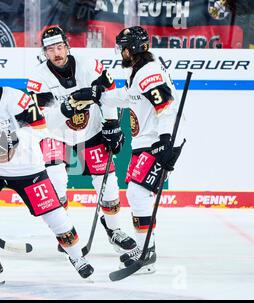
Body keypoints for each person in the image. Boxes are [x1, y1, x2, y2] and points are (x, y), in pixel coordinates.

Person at [0, 57, 94, 285]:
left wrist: (12, 139)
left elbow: (40, 129)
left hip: (27, 167)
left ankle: (77, 257)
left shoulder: (17, 98)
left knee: (55, 216)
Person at [76, 26, 185, 273]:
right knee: (138, 195)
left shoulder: (149, 72)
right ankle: (147, 248)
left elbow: (167, 107)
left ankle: (147, 250)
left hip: (158, 140)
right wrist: (97, 96)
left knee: (137, 194)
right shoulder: (140, 69)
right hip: (146, 141)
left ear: (132, 49)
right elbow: (129, 97)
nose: (120, 53)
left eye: (122, 48)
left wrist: (166, 142)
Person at [26, 26, 136, 253]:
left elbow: (109, 94)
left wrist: (112, 124)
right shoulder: (38, 78)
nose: (56, 53)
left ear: (67, 46)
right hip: (55, 134)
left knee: (109, 185)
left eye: (59, 47)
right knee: (55, 183)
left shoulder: (89, 65)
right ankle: (65, 230)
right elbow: (42, 118)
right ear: (44, 52)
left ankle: (114, 230)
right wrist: (69, 106)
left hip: (92, 130)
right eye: (50, 49)